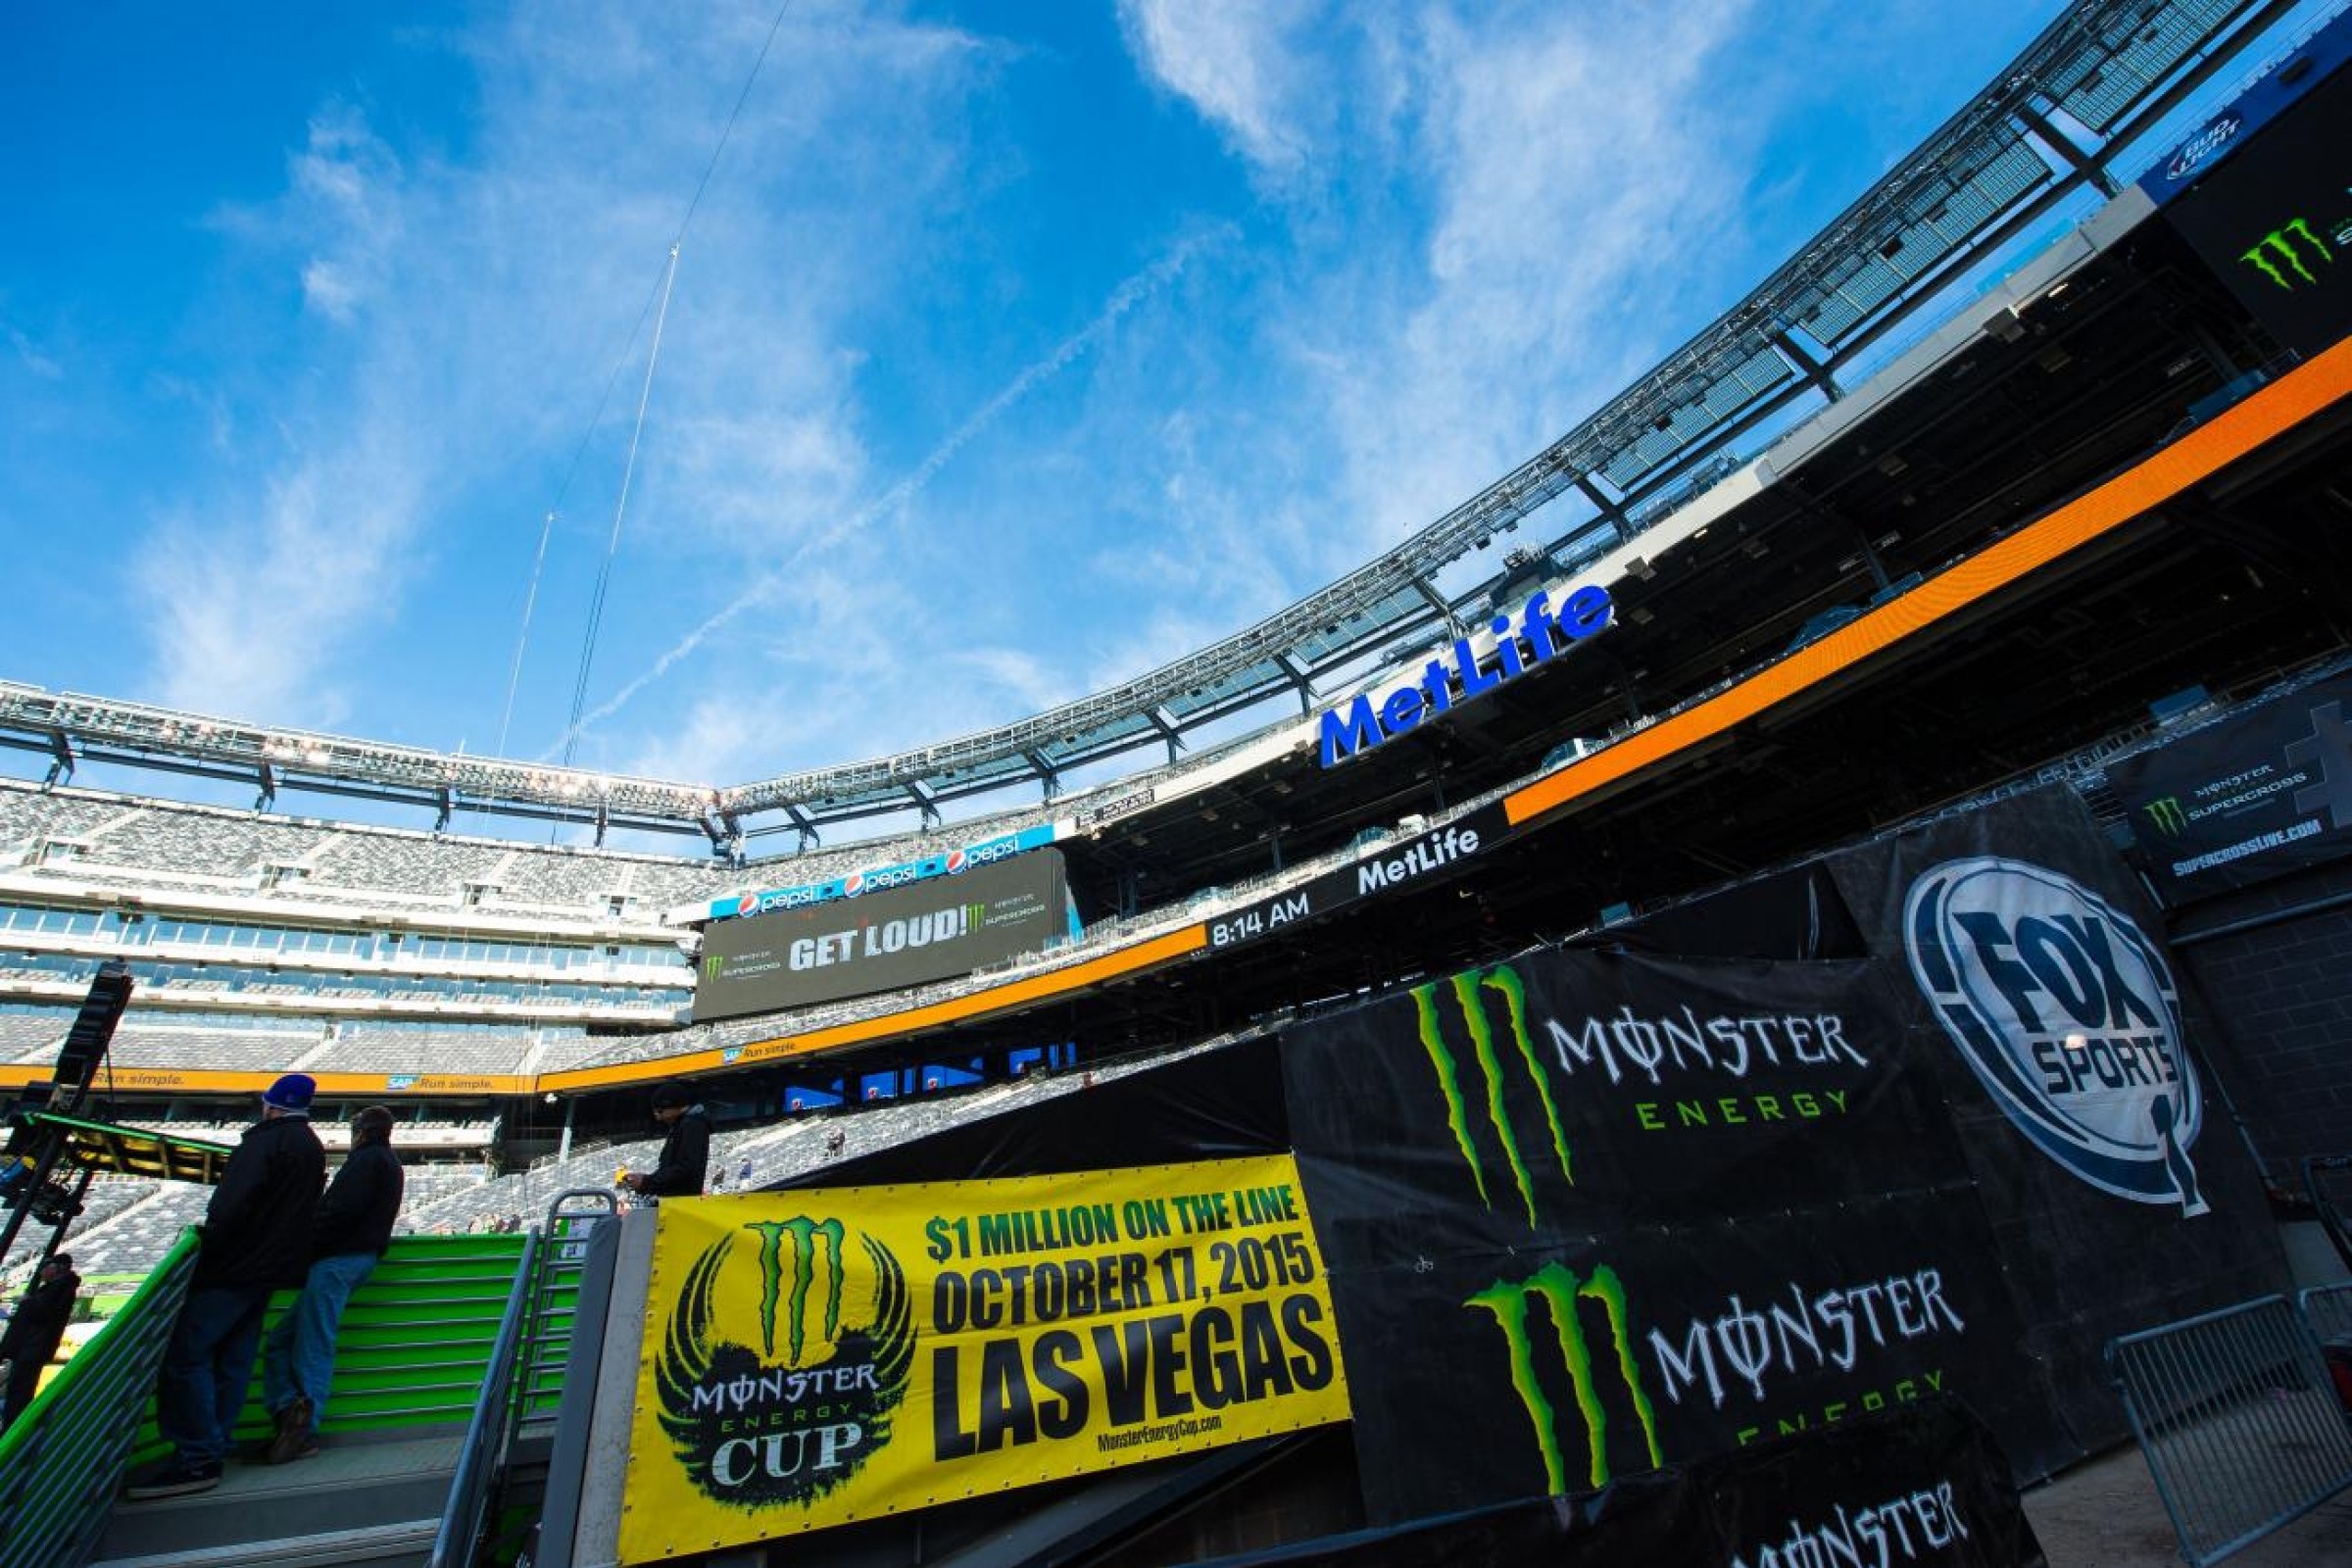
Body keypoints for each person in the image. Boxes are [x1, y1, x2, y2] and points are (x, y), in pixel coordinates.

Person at [124, 1073, 324, 1499]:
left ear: (271, 1106)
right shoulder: (310, 1145)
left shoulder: (264, 1143)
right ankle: (215, 1443)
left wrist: (213, 1239)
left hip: (234, 1265)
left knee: (187, 1357)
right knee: (234, 1357)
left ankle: (197, 1455)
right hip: (270, 1269)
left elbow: (232, 1205)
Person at [260, 1104, 404, 1463]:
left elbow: (338, 1211)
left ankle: (302, 1425)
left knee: (313, 1342)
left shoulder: (367, 1162)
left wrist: (308, 1239)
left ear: (361, 1131)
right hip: (354, 1258)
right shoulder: (388, 1163)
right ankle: (288, 1410)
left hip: (338, 1260)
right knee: (283, 1340)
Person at [1, 1251, 80, 1427]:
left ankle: (12, 1429)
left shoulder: (59, 1288)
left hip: (32, 1349)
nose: (42, 1271)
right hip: (31, 1348)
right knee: (17, 1391)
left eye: (47, 1267)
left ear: (59, 1269)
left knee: (19, 1393)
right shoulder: (60, 1287)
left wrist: (27, 1302)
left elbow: (43, 1314)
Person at [621, 1082, 710, 1200]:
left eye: (660, 1111)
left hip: (683, 1205)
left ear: (675, 1106)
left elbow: (685, 1169)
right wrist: (647, 1181)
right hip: (677, 1203)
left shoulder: (692, 1125)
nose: (658, 1117)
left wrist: (647, 1182)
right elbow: (673, 1169)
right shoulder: (681, 1125)